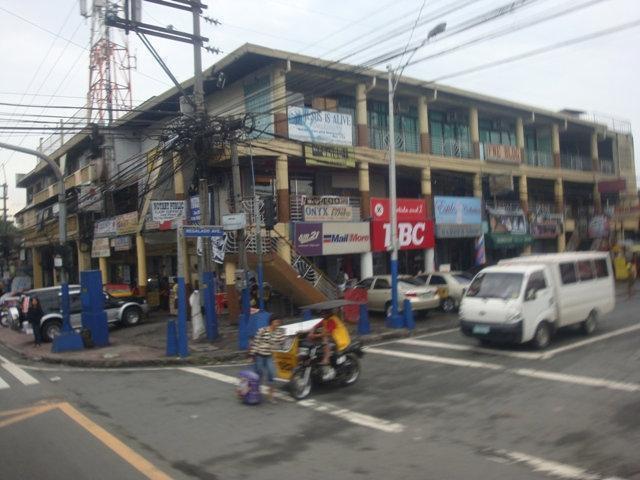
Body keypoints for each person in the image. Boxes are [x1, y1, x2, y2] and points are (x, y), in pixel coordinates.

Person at [249, 316, 284, 403]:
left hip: (269, 356)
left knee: (272, 374)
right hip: (259, 355)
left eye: (279, 322)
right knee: (258, 375)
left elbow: (281, 342)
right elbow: (256, 343)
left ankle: (271, 396)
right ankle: (256, 394)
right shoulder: (262, 330)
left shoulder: (279, 332)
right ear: (271, 322)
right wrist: (252, 355)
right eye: (276, 322)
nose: (278, 324)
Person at [308, 309, 340, 380]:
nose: (322, 314)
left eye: (324, 313)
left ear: (328, 313)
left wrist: (315, 335)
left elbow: (327, 333)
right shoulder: (324, 320)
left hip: (338, 339)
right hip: (332, 337)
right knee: (311, 337)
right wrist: (311, 333)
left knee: (324, 338)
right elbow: (315, 326)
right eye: (322, 313)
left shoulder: (332, 320)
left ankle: (326, 358)